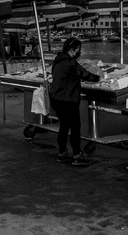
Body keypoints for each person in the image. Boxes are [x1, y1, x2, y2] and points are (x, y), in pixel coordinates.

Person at [49, 37, 100, 166]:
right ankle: (77, 156)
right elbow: (84, 74)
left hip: (56, 98)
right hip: (68, 100)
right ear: (72, 50)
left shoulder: (57, 60)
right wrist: (98, 77)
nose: (79, 52)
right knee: (75, 128)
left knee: (64, 127)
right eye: (78, 49)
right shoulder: (70, 62)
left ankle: (61, 154)